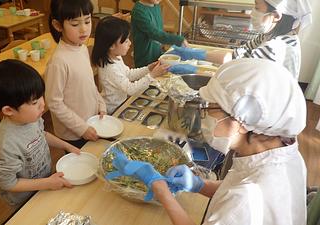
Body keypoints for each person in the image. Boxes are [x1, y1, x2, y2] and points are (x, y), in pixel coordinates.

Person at [107, 58, 307, 224]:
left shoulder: (246, 201)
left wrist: (162, 191)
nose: (206, 116)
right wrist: (198, 184)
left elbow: (237, 199)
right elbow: (232, 187)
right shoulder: (284, 151)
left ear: (242, 121)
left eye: (211, 109)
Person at [0, 59, 81, 207]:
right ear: (9, 110)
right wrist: (47, 183)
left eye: (41, 96)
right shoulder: (7, 145)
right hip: (24, 199)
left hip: (44, 183)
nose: (43, 104)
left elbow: (42, 135)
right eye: (34, 102)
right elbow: (8, 184)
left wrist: (68, 146)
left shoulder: (32, 118)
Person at [169, 0, 312, 79]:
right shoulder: (269, 35)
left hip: (268, 118)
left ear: (276, 15)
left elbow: (236, 78)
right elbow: (236, 55)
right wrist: (196, 53)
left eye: (257, 8)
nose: (252, 13)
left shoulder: (275, 48)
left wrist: (193, 71)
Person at [45, 0, 106, 148]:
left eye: (87, 21)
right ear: (58, 25)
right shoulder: (58, 61)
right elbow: (54, 103)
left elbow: (89, 84)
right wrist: (81, 128)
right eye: (75, 24)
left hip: (91, 121)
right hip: (73, 133)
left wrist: (100, 103)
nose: (84, 29)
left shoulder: (82, 48)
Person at [91, 16, 169, 114]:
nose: (130, 43)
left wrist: (148, 68)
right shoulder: (110, 68)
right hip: (114, 110)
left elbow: (128, 74)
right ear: (111, 45)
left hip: (122, 103)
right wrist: (152, 75)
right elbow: (131, 89)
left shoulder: (115, 56)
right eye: (126, 40)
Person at [131, 0, 189, 68]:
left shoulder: (156, 6)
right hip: (145, 57)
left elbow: (159, 30)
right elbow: (154, 34)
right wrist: (178, 40)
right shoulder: (139, 11)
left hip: (156, 53)